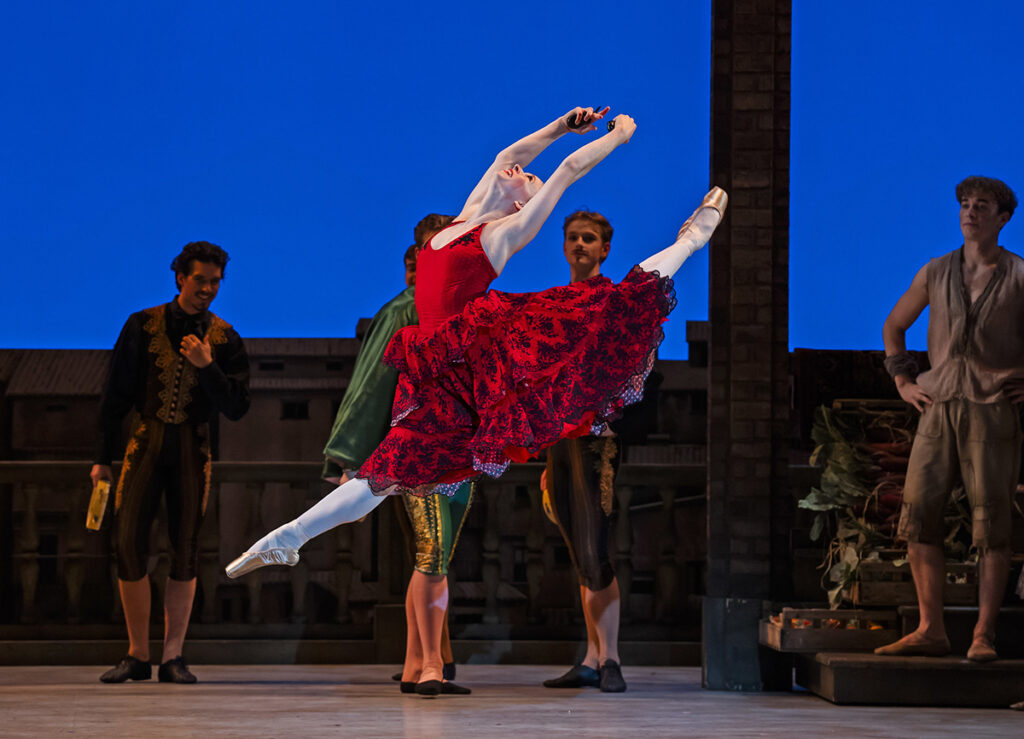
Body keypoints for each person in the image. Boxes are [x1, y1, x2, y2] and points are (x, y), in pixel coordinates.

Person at [228, 106, 726, 686]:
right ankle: (291, 536)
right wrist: (561, 125)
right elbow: (513, 155)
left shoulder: (502, 232)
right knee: (388, 469)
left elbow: (565, 171)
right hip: (431, 364)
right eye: (523, 175)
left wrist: (615, 137)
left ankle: (688, 242)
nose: (524, 174)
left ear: (520, 203)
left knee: (602, 309)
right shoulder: (458, 220)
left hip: (472, 358)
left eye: (528, 182)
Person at [321, 214, 472, 696]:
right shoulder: (405, 311)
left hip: (459, 451)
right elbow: (370, 385)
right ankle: (430, 665)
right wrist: (347, 459)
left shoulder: (464, 307)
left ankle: (419, 663)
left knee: (436, 555)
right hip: (416, 452)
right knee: (431, 554)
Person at [876, 176, 1024, 662]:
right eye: (965, 204)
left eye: (982, 206)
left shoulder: (1019, 275)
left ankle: (983, 635)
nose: (970, 212)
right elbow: (895, 325)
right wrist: (904, 381)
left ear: (1003, 218)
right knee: (918, 514)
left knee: (991, 522)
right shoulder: (936, 271)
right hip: (938, 406)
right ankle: (930, 628)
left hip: (991, 407)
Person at [93, 241, 250, 684]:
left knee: (185, 549)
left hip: (192, 450)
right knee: (127, 543)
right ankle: (138, 654)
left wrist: (207, 366)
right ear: (180, 277)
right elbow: (115, 395)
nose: (208, 289)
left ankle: (173, 656)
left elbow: (237, 406)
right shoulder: (142, 326)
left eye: (215, 281)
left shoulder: (225, 338)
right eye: (200, 280)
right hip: (144, 444)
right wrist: (101, 458)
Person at [539, 210, 627, 693]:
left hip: (597, 437)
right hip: (561, 437)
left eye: (588, 238)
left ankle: (611, 658)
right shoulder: (556, 303)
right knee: (577, 543)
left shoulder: (611, 301)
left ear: (604, 248)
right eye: (572, 237)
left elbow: (632, 362)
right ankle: (593, 655)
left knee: (596, 545)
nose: (578, 245)